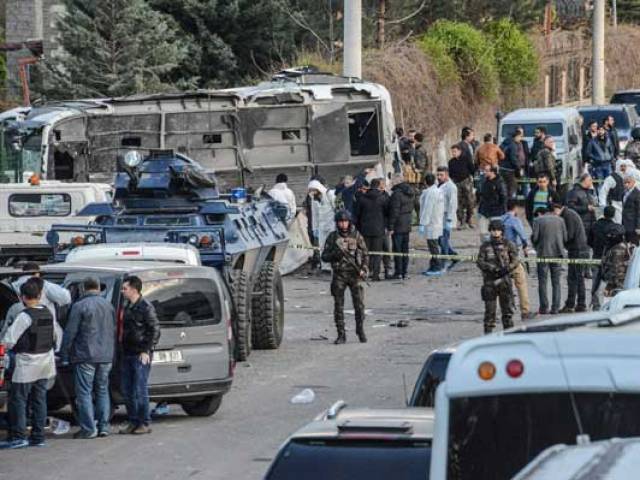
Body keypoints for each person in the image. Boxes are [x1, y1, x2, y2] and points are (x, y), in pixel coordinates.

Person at [0, 278, 62, 449]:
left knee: (18, 401)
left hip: (27, 365)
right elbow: (55, 337)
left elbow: (8, 340)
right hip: (46, 364)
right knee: (39, 400)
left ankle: (19, 437)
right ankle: (38, 436)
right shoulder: (48, 313)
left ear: (22, 297)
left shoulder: (24, 316)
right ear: (40, 295)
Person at [60, 277, 116, 439]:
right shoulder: (109, 305)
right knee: (102, 390)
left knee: (84, 392)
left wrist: (64, 354)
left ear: (84, 288)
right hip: (106, 356)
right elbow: (112, 329)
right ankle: (104, 426)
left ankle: (89, 428)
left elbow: (70, 332)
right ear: (98, 288)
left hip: (85, 355)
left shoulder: (79, 306)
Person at [119, 276, 160, 435]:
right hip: (127, 352)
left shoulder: (145, 307)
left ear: (134, 290)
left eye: (125, 288)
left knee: (140, 389)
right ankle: (133, 420)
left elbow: (155, 330)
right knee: (127, 390)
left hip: (139, 354)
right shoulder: (128, 306)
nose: (123, 291)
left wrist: (146, 350)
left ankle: (144, 422)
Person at [321, 210, 369, 344]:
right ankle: (341, 334)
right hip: (339, 275)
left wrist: (364, 269)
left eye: (345, 221)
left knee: (359, 306)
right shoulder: (332, 237)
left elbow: (365, 254)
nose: (343, 224)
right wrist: (334, 255)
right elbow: (324, 256)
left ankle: (360, 330)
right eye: (341, 222)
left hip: (355, 275)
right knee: (338, 306)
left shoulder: (357, 235)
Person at [476, 219, 518, 334]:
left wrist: (507, 268)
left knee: (507, 313)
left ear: (502, 231)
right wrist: (491, 268)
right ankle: (487, 337)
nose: (495, 232)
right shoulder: (485, 246)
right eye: (493, 230)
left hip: (505, 281)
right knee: (490, 312)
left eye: (498, 230)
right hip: (490, 281)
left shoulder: (509, 245)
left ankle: (509, 336)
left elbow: (515, 261)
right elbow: (480, 262)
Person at [501, 200, 535, 320]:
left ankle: (505, 308)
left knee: (503, 283)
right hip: (513, 254)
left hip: (500, 255)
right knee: (520, 283)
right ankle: (525, 311)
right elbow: (523, 236)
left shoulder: (499, 219)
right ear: (515, 209)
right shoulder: (515, 221)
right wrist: (525, 246)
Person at [555, 203, 589, 313]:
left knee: (576, 278)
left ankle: (580, 304)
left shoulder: (568, 215)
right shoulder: (569, 214)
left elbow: (570, 235)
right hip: (578, 249)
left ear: (557, 209)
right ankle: (573, 304)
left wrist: (559, 240)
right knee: (574, 278)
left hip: (577, 250)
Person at [532, 208, 567, 314]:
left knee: (542, 282)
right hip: (557, 253)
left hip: (543, 254)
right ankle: (555, 308)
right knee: (556, 282)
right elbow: (565, 238)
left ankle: (544, 307)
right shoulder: (560, 220)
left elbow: (535, 238)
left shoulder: (538, 220)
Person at [354, 178, 389, 281]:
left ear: (369, 186)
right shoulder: (383, 199)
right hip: (379, 230)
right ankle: (376, 275)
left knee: (365, 253)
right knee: (377, 253)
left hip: (365, 230)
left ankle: (365, 273)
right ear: (378, 186)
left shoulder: (362, 199)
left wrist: (359, 228)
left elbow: (357, 215)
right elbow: (387, 213)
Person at [590, 206, 617, 310]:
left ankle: (596, 304)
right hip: (609, 259)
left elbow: (589, 241)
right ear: (613, 215)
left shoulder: (595, 225)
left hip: (596, 255)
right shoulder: (615, 227)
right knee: (610, 282)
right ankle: (609, 305)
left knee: (595, 282)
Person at [388, 175, 414, 280]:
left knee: (397, 249)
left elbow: (394, 211)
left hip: (398, 225)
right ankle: (404, 271)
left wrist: (390, 226)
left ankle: (398, 272)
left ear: (395, 182)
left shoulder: (396, 194)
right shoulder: (409, 192)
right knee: (405, 249)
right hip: (407, 224)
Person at [419, 173, 445, 277]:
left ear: (425, 182)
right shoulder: (438, 191)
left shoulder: (430, 193)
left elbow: (427, 209)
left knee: (433, 247)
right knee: (434, 246)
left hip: (432, 224)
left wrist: (422, 223)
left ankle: (437, 266)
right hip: (437, 221)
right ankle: (433, 265)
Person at [308, 179, 336, 271]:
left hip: (332, 226)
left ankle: (333, 266)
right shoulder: (314, 199)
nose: (312, 192)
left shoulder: (330, 194)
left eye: (313, 190)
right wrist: (314, 228)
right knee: (322, 247)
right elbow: (314, 215)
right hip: (321, 227)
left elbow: (338, 209)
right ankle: (325, 267)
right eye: (311, 190)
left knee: (332, 247)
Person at [448, 144, 475, 229]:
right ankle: (461, 221)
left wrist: (471, 177)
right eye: (452, 152)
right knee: (458, 203)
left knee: (470, 202)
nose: (453, 153)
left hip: (466, 181)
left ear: (459, 151)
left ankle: (469, 219)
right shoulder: (451, 162)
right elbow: (450, 173)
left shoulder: (466, 159)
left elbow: (472, 169)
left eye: (455, 151)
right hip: (456, 183)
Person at [437, 166, 459, 270]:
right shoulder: (438, 185)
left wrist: (450, 219)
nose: (439, 177)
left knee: (443, 240)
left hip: (446, 217)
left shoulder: (451, 187)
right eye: (438, 175)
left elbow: (453, 204)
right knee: (439, 240)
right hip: (438, 216)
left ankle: (443, 263)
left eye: (441, 175)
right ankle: (454, 255)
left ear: (447, 175)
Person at [477, 165, 507, 241]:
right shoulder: (484, 181)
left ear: (492, 172)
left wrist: (501, 209)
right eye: (484, 170)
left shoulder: (499, 182)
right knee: (483, 232)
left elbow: (503, 197)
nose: (484, 172)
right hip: (484, 211)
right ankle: (485, 247)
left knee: (496, 232)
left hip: (496, 212)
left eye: (487, 171)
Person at [565, 173, 598, 242]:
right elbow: (570, 208)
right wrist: (586, 208)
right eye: (589, 180)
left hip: (590, 224)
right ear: (584, 180)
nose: (591, 182)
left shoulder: (589, 192)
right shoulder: (574, 193)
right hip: (580, 224)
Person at [602, 224, 632, 297]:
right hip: (621, 282)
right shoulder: (623, 245)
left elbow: (616, 270)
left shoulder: (617, 249)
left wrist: (609, 286)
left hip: (619, 284)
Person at [599, 159, 633, 223]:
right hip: (614, 204)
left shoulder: (627, 176)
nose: (623, 168)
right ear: (617, 166)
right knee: (616, 223)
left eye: (624, 166)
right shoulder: (611, 178)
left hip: (625, 205)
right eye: (621, 166)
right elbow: (603, 191)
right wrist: (603, 205)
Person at [499, 130, 524, 199]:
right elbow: (514, 159)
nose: (521, 139)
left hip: (502, 168)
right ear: (516, 137)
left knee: (504, 188)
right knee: (511, 189)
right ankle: (510, 205)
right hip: (510, 170)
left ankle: (504, 204)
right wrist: (519, 169)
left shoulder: (504, 143)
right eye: (520, 137)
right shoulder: (513, 145)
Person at [622, 174, 640, 245]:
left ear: (633, 182)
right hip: (625, 223)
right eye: (625, 182)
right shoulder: (624, 193)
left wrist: (638, 227)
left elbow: (639, 212)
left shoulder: (637, 194)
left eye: (628, 182)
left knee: (634, 245)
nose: (626, 184)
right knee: (628, 245)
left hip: (633, 225)